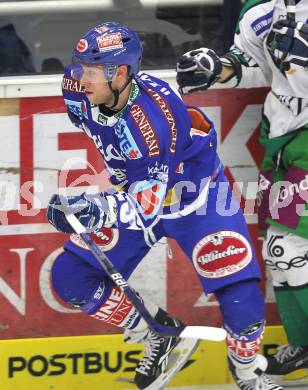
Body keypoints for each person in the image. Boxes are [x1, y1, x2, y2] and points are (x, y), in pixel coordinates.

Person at [46, 22, 283, 390]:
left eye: (91, 72)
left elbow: (147, 208)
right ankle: (156, 332)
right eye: (79, 67)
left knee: (243, 302)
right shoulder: (77, 90)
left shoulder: (155, 120)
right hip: (136, 192)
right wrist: (85, 206)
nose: (80, 78)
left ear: (120, 73)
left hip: (197, 201)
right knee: (70, 277)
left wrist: (97, 208)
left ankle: (248, 372)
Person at [176, 0, 308, 383]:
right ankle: (302, 344)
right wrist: (217, 69)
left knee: (290, 248)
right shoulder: (259, 9)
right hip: (283, 138)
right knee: (277, 251)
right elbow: (253, 65)